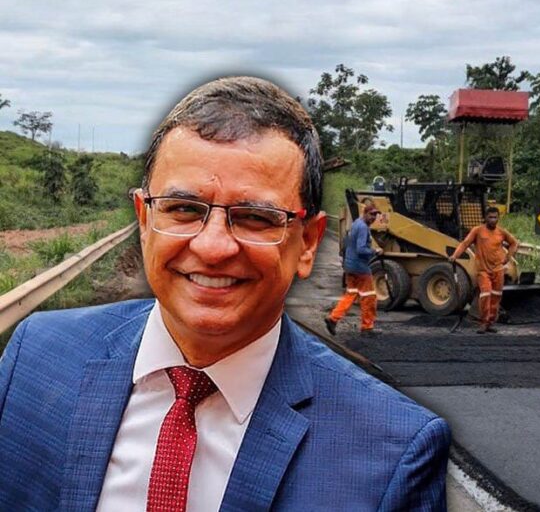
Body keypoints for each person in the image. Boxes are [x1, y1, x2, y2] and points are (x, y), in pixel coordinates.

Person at [0, 76, 450, 511]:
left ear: (308, 244)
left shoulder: (392, 453)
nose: (213, 247)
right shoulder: (35, 360)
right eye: (183, 209)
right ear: (144, 219)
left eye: (255, 217)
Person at [450, 206, 519, 334]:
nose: (493, 220)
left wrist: (508, 257)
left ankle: (490, 323)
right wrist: (455, 255)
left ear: (498, 218)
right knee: (485, 295)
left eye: (495, 217)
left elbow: (514, 243)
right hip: (483, 271)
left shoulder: (501, 232)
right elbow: (465, 243)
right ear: (485, 218)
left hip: (498, 270)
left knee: (496, 297)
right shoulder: (477, 231)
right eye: (490, 217)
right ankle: (483, 322)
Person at [325, 201, 383, 336]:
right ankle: (367, 328)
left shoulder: (356, 223)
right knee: (369, 297)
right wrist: (375, 251)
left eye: (375, 215)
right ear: (365, 213)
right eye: (372, 214)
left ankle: (333, 318)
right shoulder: (363, 227)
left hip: (350, 266)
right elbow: (361, 249)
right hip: (360, 268)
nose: (374, 218)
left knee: (351, 294)